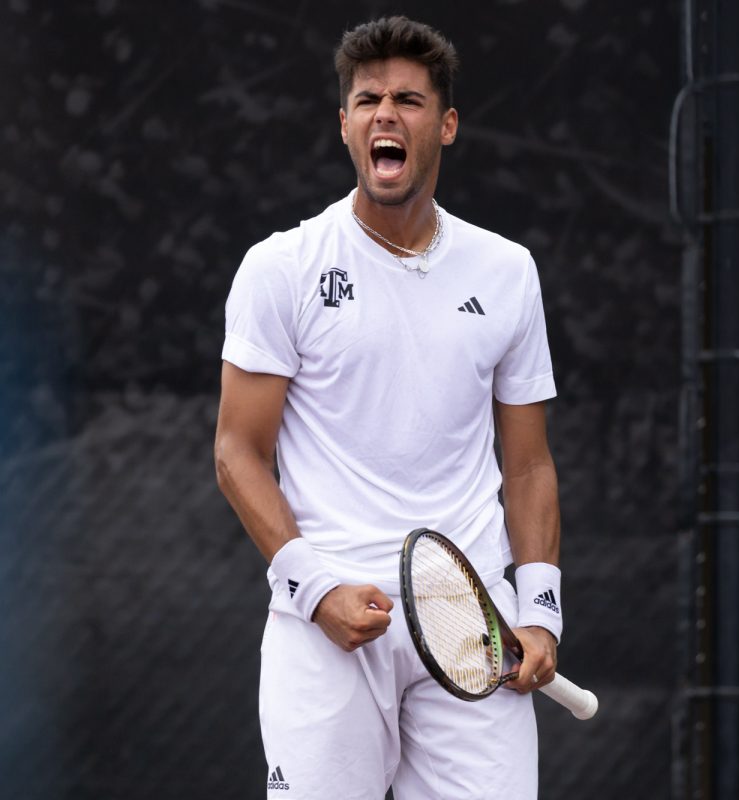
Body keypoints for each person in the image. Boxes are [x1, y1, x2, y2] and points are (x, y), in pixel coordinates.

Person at [213, 15, 562, 799]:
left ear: (445, 124)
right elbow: (237, 453)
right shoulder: (282, 268)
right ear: (345, 126)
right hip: (329, 625)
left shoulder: (507, 272)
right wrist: (315, 589)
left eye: (408, 100)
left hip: (472, 625)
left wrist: (541, 611)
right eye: (368, 100)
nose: (385, 115)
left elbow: (530, 462)